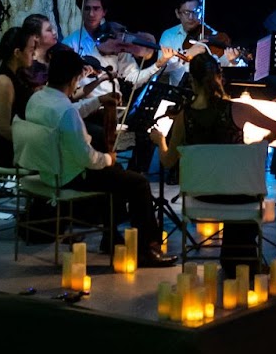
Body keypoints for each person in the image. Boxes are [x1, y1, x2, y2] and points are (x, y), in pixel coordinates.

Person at [24, 45, 174, 264]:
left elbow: (70, 112)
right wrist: (108, 158)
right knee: (138, 182)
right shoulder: (64, 111)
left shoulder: (38, 100)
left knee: (116, 175)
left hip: (49, 171)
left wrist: (97, 101)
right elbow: (87, 158)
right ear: (74, 79)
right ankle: (147, 249)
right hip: (70, 177)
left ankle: (110, 238)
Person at [150, 52, 276, 275]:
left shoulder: (184, 117)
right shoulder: (238, 109)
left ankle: (235, 259)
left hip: (202, 194)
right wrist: (260, 144)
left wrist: (160, 141)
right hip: (239, 195)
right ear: (219, 78)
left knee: (228, 186)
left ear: (192, 80)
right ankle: (240, 260)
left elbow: (168, 160)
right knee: (239, 189)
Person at [0, 25, 36, 166]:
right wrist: (34, 146)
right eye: (31, 50)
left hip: (21, 143)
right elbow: (4, 128)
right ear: (17, 52)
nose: (33, 55)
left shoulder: (18, 75)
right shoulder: (3, 82)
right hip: (8, 152)